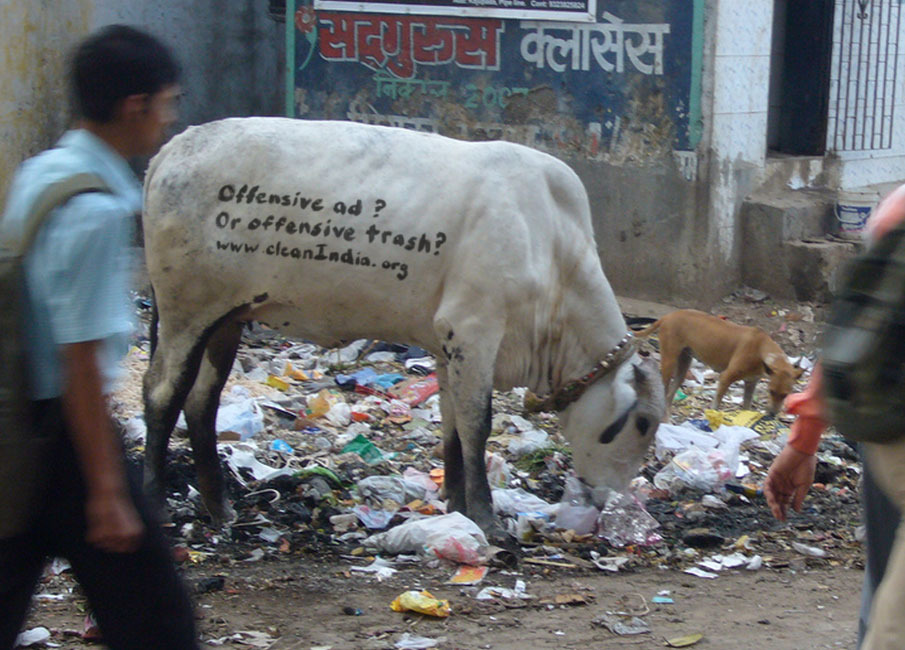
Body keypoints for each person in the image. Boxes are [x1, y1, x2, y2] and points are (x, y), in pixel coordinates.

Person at [0, 25, 199, 649]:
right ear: (134, 105)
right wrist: (107, 491)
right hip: (67, 440)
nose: (169, 119)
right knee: (160, 625)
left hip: (15, 428)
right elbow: (79, 359)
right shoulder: (95, 208)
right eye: (167, 103)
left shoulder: (42, 174)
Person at [765, 183, 905, 650]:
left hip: (884, 426)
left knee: (886, 592)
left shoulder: (896, 207)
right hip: (890, 427)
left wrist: (804, 437)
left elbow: (859, 330)